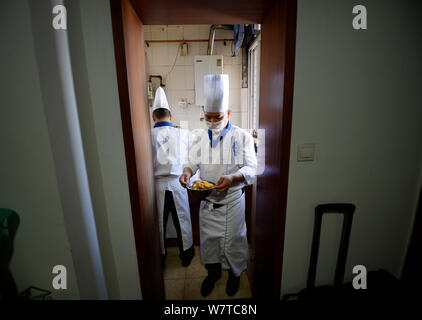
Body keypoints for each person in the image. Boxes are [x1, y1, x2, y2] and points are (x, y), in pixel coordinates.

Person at [179, 74, 257, 296]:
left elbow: (252, 168)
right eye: (208, 117)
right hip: (208, 201)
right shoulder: (198, 137)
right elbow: (191, 163)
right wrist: (186, 173)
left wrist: (233, 178)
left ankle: (234, 274)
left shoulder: (241, 137)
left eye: (218, 117)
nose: (212, 121)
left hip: (232, 202)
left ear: (229, 113)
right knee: (210, 242)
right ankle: (213, 274)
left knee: (234, 242)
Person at [151, 87, 195, 267]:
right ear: (170, 117)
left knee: (159, 223)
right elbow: (194, 156)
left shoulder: (146, 135)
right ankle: (186, 256)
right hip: (178, 184)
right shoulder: (183, 133)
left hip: (157, 186)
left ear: (153, 117)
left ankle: (160, 258)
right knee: (182, 221)